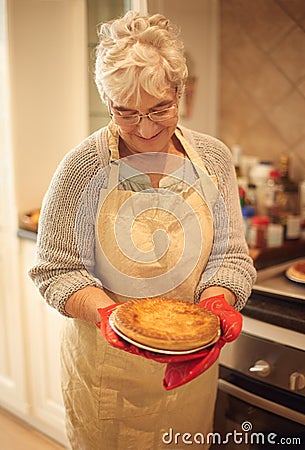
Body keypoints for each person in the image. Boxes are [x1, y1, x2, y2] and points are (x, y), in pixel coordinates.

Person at [29, 10, 256, 450]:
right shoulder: (81, 168)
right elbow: (55, 270)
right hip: (107, 380)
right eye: (125, 113)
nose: (145, 129)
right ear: (106, 100)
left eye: (160, 109)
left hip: (189, 373)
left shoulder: (212, 158)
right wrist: (107, 315)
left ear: (180, 92)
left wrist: (216, 304)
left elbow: (229, 255)